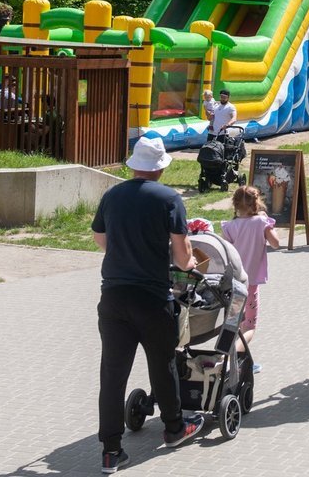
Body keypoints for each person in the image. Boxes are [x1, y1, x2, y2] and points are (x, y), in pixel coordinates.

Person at [91, 136, 205, 473]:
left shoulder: (112, 195)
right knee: (162, 362)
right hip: (152, 297)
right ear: (160, 168)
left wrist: (125, 254)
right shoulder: (169, 199)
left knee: (112, 374)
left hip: (112, 296)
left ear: (135, 165)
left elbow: (100, 239)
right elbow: (183, 255)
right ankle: (173, 429)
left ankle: (111, 451)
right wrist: (189, 266)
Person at [221, 186, 279, 364]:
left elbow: (225, 253)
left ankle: (229, 357)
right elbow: (276, 244)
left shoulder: (230, 227)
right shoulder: (262, 223)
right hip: (251, 284)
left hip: (233, 283)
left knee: (233, 324)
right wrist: (266, 223)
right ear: (256, 203)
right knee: (249, 327)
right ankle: (230, 359)